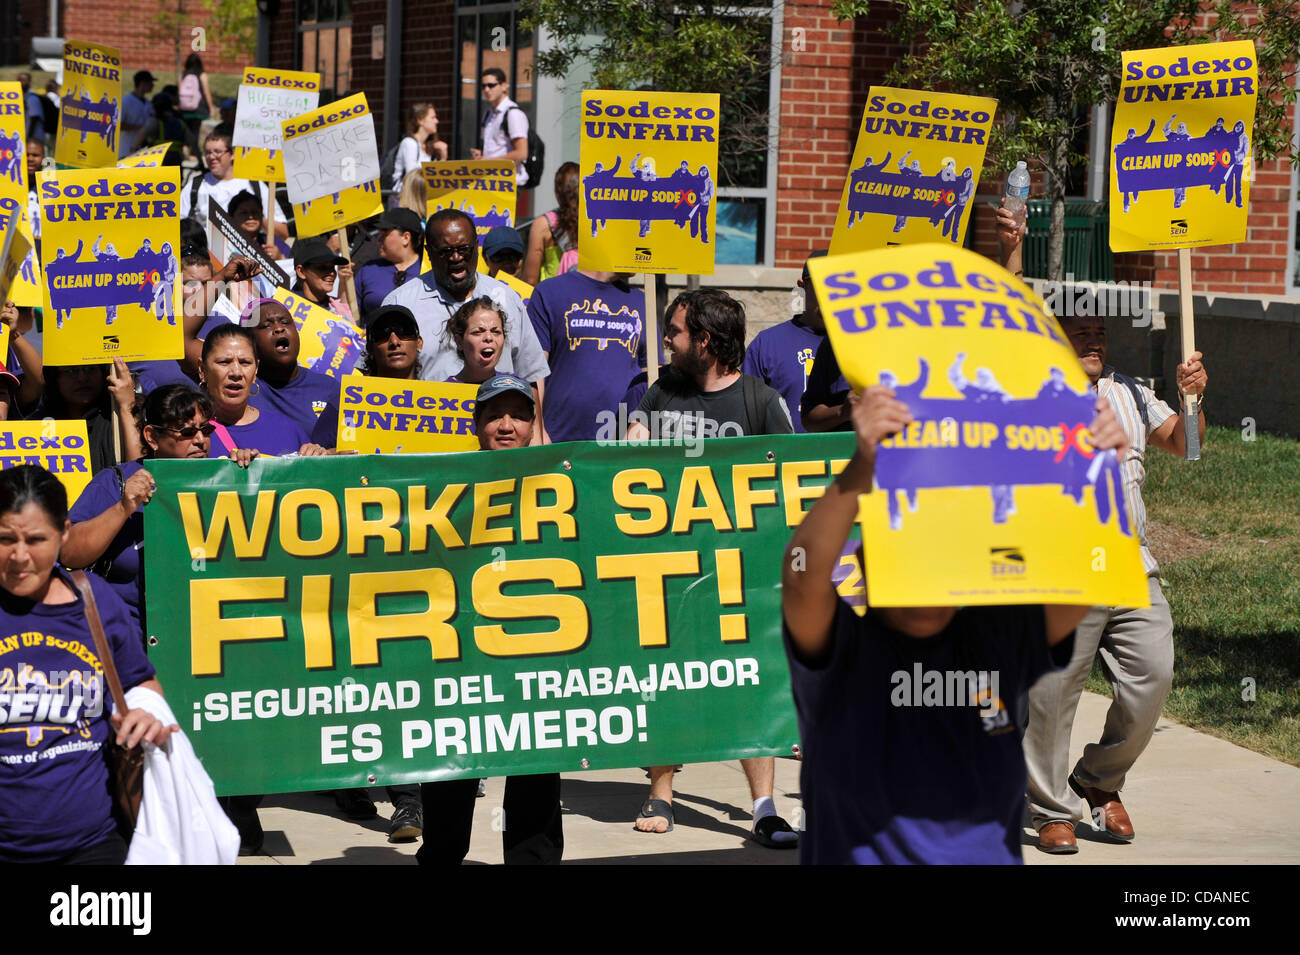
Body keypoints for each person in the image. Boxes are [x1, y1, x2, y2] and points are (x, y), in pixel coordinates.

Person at [780, 381, 1130, 864]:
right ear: (866, 560)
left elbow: (1087, 577)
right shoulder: (838, 656)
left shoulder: (996, 642)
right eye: (905, 547)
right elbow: (801, 572)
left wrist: (1096, 472)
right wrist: (862, 466)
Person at [1025, 315, 1206, 854]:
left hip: (1131, 566)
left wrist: (1193, 399)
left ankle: (1099, 778)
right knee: (1052, 696)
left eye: (1099, 332)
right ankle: (1051, 807)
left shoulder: (1132, 390)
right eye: (1079, 332)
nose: (1093, 339)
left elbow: (1187, 446)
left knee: (1154, 675)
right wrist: (1010, 246)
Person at [625, 289, 798, 847]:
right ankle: (660, 792)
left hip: (738, 575)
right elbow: (625, 469)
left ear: (703, 340)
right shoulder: (659, 394)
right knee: (664, 678)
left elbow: (794, 484)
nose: (667, 341)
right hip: (666, 571)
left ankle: (764, 807)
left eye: (675, 331)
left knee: (750, 683)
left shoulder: (760, 401)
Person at [0, 464, 180, 864]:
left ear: (64, 533)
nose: (19, 556)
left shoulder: (94, 600)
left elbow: (141, 683)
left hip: (94, 844)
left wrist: (146, 716)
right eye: (5, 539)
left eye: (36, 539)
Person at [417, 373, 563, 865]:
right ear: (475, 424)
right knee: (451, 760)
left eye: (519, 415)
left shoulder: (563, 478)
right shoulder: (438, 477)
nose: (506, 425)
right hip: (458, 650)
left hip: (538, 645)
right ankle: (440, 855)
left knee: (538, 758)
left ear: (534, 423)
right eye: (494, 415)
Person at [61, 385, 214, 634]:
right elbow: (68, 553)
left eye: (206, 430)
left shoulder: (224, 478)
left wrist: (249, 473)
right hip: (127, 641)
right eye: (186, 432)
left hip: (201, 641)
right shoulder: (116, 482)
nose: (199, 440)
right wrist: (123, 508)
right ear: (152, 437)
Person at [381, 209, 549, 390]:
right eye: (446, 251)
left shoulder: (507, 299)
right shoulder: (400, 304)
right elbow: (375, 374)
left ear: (476, 246)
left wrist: (536, 419)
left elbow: (531, 376)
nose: (456, 257)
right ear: (429, 252)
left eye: (464, 249)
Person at [528, 266, 644, 444]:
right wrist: (538, 431)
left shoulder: (641, 300)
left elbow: (651, 375)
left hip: (624, 444)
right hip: (559, 442)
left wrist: (642, 434)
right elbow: (533, 371)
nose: (641, 248)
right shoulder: (550, 292)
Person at [198, 324, 326, 459]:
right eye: (224, 362)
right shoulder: (187, 434)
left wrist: (318, 455)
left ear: (256, 370)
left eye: (245, 362)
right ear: (202, 370)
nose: (236, 372)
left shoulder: (284, 429)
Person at [745, 253, 827, 434]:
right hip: (786, 459)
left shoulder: (861, 345)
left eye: (837, 284)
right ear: (802, 286)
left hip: (846, 458)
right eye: (821, 282)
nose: (830, 292)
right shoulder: (767, 344)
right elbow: (748, 416)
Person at [243, 298, 339, 438]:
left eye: (285, 322)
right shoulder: (239, 387)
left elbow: (350, 447)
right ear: (248, 341)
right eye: (266, 325)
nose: (279, 328)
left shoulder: (329, 387)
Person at [28, 362, 142, 474]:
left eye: (90, 368)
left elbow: (138, 473)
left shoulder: (118, 418)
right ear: (55, 378)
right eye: (71, 371)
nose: (82, 378)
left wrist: (127, 407)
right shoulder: (37, 425)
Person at [180, 130, 279, 237]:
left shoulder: (254, 185)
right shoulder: (195, 186)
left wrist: (253, 217)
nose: (212, 157)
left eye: (217, 152)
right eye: (208, 152)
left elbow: (283, 233)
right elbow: (179, 226)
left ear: (233, 154)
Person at [353, 208, 423, 321]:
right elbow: (349, 313)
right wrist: (343, 281)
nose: (378, 239)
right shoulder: (368, 270)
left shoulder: (428, 269)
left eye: (384, 234)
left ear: (406, 238)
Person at [470, 68, 530, 188]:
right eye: (483, 86)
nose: (487, 90)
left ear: (503, 86)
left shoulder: (513, 114)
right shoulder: (487, 114)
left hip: (509, 183)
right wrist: (481, 156)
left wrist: (490, 162)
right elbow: (496, 148)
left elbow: (522, 153)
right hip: (491, 182)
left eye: (491, 85)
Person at [523, 162, 580, 286]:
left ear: (558, 191)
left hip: (552, 299)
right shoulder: (596, 224)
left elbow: (530, 280)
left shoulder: (543, 224)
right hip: (587, 300)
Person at [445, 296, 506, 385]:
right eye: (477, 332)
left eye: (496, 331)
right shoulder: (442, 392)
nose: (489, 337)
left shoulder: (517, 388)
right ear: (459, 342)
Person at [292, 237, 355, 321]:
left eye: (332, 268)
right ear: (301, 272)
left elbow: (353, 333)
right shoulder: (284, 305)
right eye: (322, 268)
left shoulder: (337, 309)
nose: (332, 273)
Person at [391, 103, 447, 195]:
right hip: (405, 198)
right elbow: (412, 177)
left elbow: (439, 179)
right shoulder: (409, 143)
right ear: (420, 120)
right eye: (433, 118)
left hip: (421, 196)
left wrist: (443, 157)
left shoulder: (430, 146)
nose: (437, 121)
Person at [227, 190, 289, 261]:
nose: (250, 217)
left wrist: (280, 257)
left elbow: (293, 265)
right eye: (244, 213)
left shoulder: (274, 242)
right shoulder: (224, 241)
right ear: (231, 217)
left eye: (255, 212)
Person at [178, 53, 218, 159]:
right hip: (198, 109)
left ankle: (185, 148)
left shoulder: (183, 75)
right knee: (195, 131)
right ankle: (194, 152)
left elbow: (179, 91)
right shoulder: (202, 75)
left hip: (184, 109)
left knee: (187, 130)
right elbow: (206, 92)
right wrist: (211, 107)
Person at [119, 70, 156, 158]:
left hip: (144, 150)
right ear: (142, 83)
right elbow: (118, 125)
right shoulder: (126, 101)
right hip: (126, 148)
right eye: (150, 82)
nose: (152, 85)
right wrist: (142, 128)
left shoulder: (148, 103)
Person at [17, 73, 44, 144]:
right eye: (19, 80)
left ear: (29, 82)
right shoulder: (23, 97)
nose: (21, 83)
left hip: (34, 138)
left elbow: (33, 119)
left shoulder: (32, 98)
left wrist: (28, 137)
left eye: (23, 80)